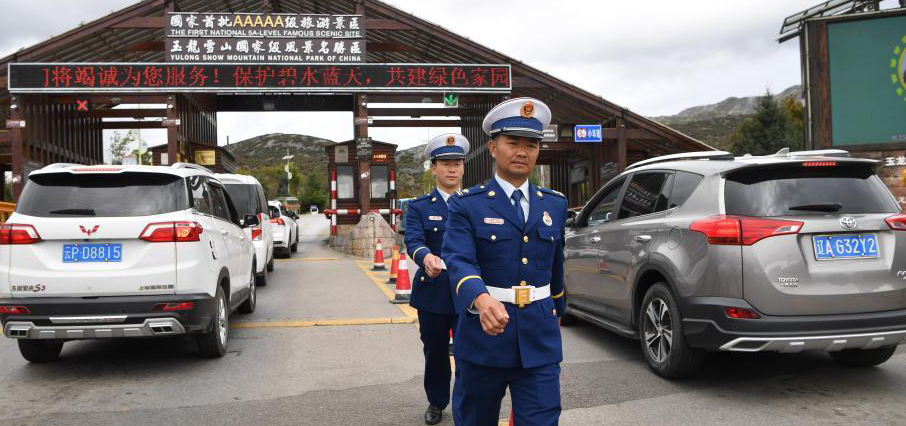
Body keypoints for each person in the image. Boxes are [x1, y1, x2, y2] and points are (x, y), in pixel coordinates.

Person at [442, 97, 567, 426]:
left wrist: (558, 309)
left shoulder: (554, 204)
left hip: (539, 340)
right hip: (484, 339)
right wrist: (481, 299)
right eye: (513, 142)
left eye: (532, 144)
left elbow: (557, 267)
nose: (523, 151)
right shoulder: (468, 205)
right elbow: (458, 259)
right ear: (493, 148)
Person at [405, 133, 470, 425]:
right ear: (433, 168)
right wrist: (424, 257)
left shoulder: (475, 203)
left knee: (471, 351)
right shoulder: (420, 206)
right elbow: (414, 240)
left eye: (457, 163)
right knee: (435, 352)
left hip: (470, 293)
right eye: (445, 163)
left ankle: (468, 402)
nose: (452, 168)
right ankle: (436, 401)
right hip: (433, 292)